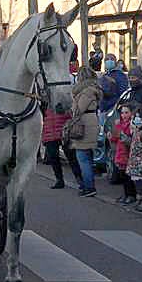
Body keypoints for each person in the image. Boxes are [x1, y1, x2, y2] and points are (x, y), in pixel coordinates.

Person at [66, 68, 101, 197]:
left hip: (84, 124)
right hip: (90, 121)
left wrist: (72, 101)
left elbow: (77, 109)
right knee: (87, 157)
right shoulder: (93, 89)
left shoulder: (86, 92)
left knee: (83, 158)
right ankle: (89, 184)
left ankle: (89, 187)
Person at [42, 103, 79, 190]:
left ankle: (79, 179)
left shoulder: (61, 97)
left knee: (71, 157)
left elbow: (70, 112)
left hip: (63, 131)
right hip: (50, 132)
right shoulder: (45, 100)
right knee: (54, 158)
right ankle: (60, 180)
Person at [110, 105, 134, 203]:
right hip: (120, 153)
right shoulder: (121, 124)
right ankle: (126, 194)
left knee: (128, 177)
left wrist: (118, 127)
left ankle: (131, 195)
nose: (123, 115)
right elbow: (115, 138)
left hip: (126, 154)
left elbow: (124, 137)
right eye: (122, 113)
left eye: (126, 112)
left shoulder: (130, 125)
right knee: (123, 176)